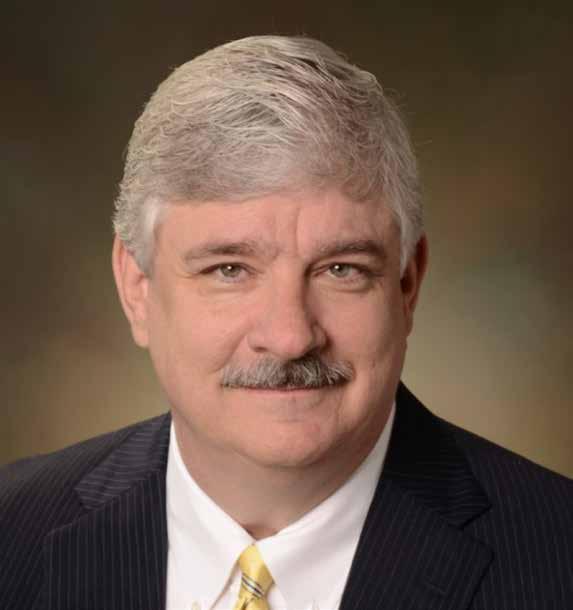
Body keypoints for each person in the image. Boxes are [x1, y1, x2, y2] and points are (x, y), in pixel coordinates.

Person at [0, 35, 571, 610]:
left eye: (341, 269)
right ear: (136, 287)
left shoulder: (556, 559)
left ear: (407, 284)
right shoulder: (12, 532)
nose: (291, 337)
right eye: (229, 270)